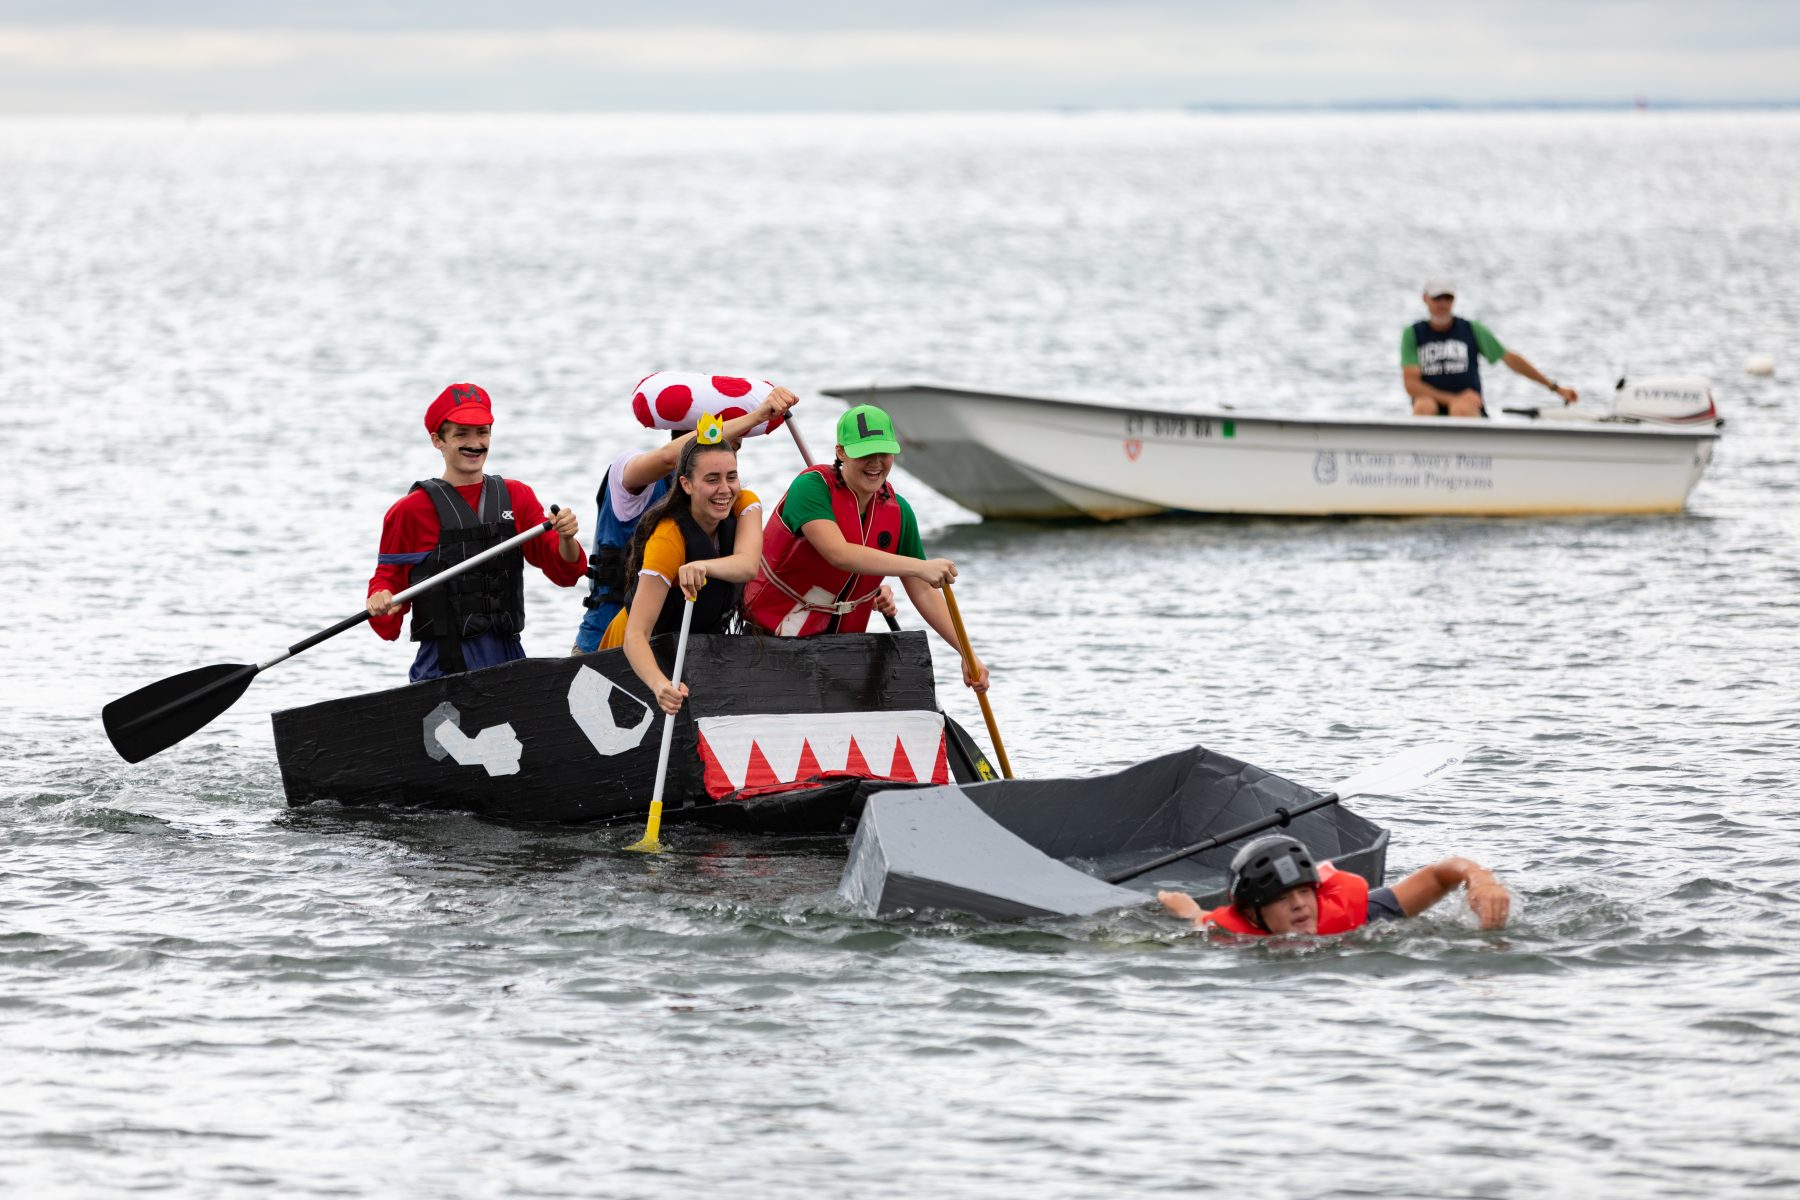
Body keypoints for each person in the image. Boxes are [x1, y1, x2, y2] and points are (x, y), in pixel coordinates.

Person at [743, 403, 990, 694]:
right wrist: (920, 566)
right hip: (767, 638)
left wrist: (966, 653)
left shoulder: (900, 512)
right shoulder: (810, 488)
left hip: (841, 649)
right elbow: (839, 554)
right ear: (841, 452)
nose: (875, 463)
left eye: (883, 453)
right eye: (864, 454)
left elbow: (923, 590)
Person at [366, 383, 585, 682]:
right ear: (437, 440)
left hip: (509, 658)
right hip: (442, 666)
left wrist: (566, 537)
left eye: (482, 432)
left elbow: (566, 573)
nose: (475, 443)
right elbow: (388, 586)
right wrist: (381, 599)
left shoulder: (516, 496)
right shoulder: (409, 511)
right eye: (461, 434)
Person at [571, 374, 798, 654]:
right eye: (725, 444)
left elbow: (748, 565)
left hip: (687, 651)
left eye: (733, 451)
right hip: (606, 646)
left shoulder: (730, 499)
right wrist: (757, 416)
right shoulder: (627, 474)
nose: (729, 460)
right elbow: (668, 458)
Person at [602, 415, 764, 715]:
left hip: (682, 647)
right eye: (712, 479)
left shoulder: (745, 504)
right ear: (686, 484)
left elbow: (748, 565)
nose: (725, 489)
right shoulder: (669, 538)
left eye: (732, 476)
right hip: (630, 653)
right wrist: (660, 685)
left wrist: (702, 566)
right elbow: (635, 635)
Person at [1157, 833, 1511, 936]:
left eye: (1303, 891)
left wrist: (1479, 878)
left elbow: (1438, 875)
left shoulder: (1361, 915)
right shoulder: (1228, 938)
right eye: (1281, 898)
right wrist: (1182, 907)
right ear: (1252, 914)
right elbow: (1196, 917)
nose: (1299, 905)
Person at [1403, 276, 1579, 417]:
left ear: (1454, 300)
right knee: (1424, 406)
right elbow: (1411, 384)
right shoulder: (1413, 333)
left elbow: (1510, 359)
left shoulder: (1471, 330)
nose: (1443, 304)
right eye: (1437, 298)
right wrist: (1452, 399)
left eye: (1447, 298)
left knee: (1461, 409)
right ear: (1425, 298)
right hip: (1434, 405)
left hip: (1467, 408)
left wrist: (1555, 388)